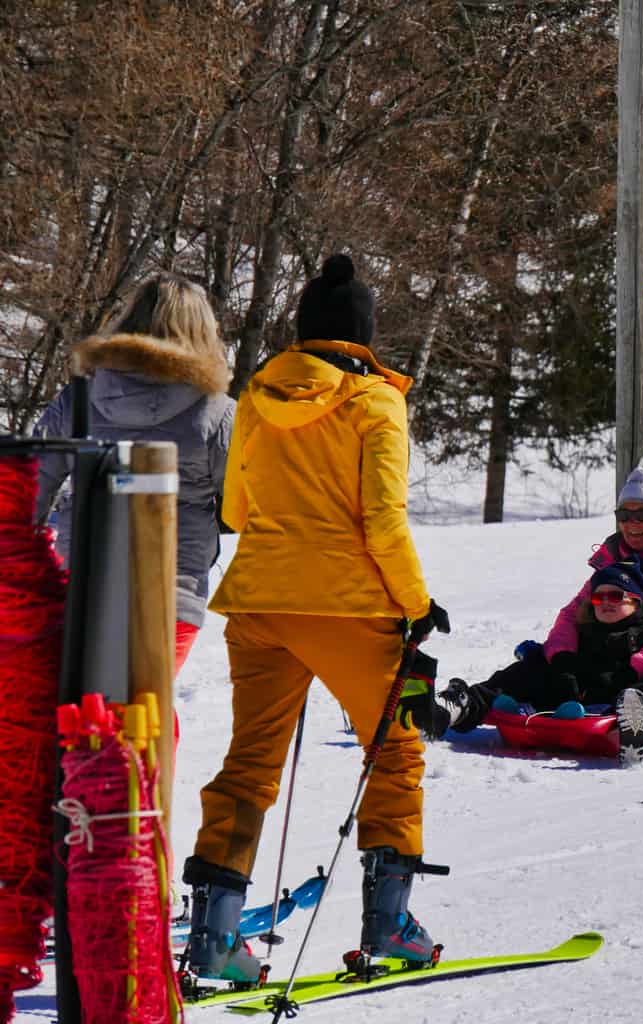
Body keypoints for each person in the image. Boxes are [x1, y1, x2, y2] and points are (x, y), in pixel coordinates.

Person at [183, 254, 450, 982]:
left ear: (304, 331)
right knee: (394, 751)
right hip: (351, 605)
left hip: (259, 601)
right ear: (363, 335)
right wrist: (419, 605)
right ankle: (389, 925)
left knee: (248, 765)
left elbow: (237, 510)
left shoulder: (257, 398)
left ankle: (213, 939)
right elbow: (383, 522)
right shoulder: (375, 402)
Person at [449, 452, 643, 766]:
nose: (632, 524)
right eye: (624, 515)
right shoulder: (615, 558)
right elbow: (572, 614)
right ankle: (464, 704)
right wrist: (562, 660)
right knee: (537, 662)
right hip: (612, 662)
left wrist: (636, 668)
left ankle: (640, 728)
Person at [33, 274, 235, 673]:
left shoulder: (79, 399)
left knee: (88, 711)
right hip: (172, 589)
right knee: (146, 708)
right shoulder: (219, 412)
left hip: (81, 580)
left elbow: (30, 490)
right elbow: (245, 504)